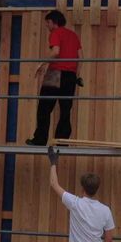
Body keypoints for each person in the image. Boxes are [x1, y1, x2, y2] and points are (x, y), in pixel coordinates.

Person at [26, 9, 82, 146]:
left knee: (44, 107)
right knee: (65, 108)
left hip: (55, 72)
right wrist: (76, 75)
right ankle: (62, 140)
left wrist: (42, 62)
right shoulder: (74, 35)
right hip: (70, 75)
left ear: (54, 22)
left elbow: (55, 51)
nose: (47, 25)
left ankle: (40, 139)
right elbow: (81, 57)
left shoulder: (55, 33)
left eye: (48, 22)